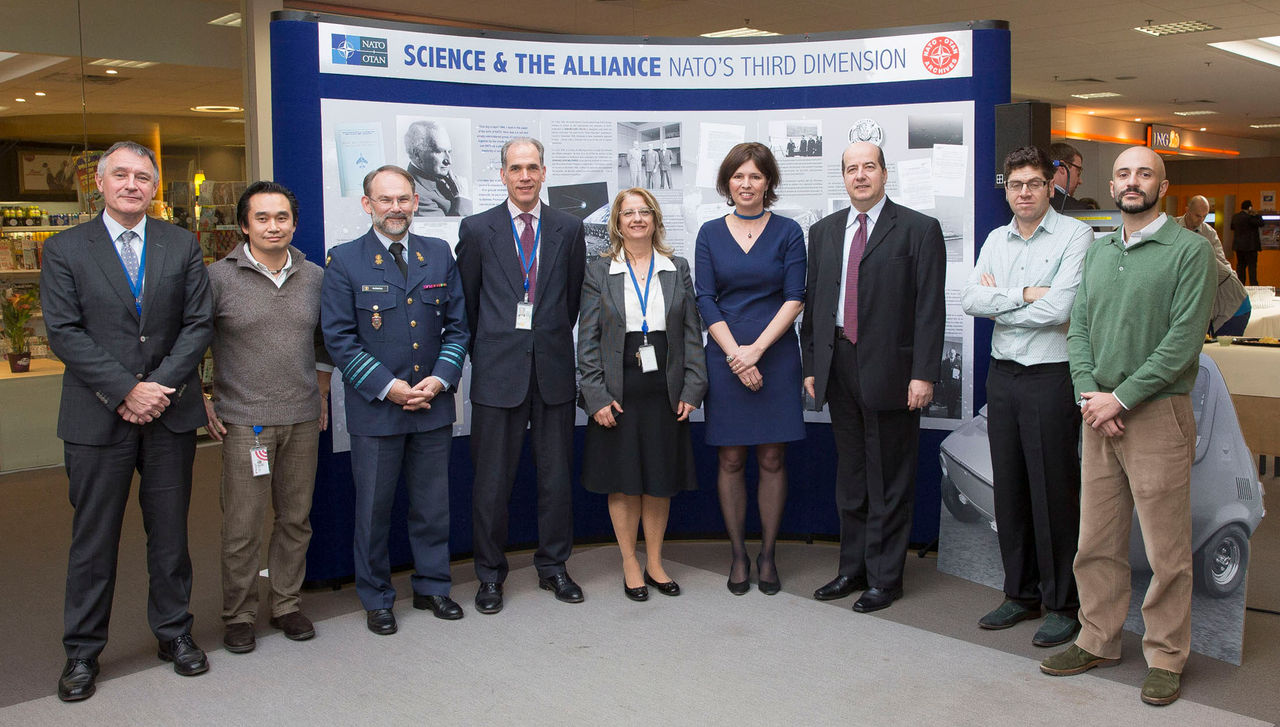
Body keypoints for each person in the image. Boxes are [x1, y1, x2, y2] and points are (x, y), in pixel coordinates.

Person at [1040, 146, 1214, 707]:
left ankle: (1165, 656)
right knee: (1097, 540)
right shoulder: (1097, 251)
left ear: (1163, 186)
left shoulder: (1190, 251)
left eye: (1144, 173)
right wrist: (1091, 397)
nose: (1131, 182)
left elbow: (1183, 343)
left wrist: (1122, 399)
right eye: (1122, 174)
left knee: (1167, 550)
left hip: (1156, 413)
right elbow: (1078, 330)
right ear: (1111, 186)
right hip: (1098, 412)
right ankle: (1098, 638)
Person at [41, 141, 214, 701]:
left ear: (155, 186)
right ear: (99, 181)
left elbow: (198, 323)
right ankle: (82, 654)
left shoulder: (181, 243)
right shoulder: (66, 247)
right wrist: (125, 389)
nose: (132, 184)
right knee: (93, 541)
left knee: (169, 535)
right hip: (97, 417)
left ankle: (174, 634)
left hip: (168, 413)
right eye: (121, 174)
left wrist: (157, 389)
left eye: (144, 176)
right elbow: (64, 331)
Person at [320, 165, 469, 635]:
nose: (396, 208)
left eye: (404, 199)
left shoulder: (439, 253)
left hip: (432, 404)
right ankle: (377, 597)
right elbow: (339, 339)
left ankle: (432, 586)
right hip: (376, 409)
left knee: (432, 505)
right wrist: (391, 387)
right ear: (368, 205)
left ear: (415, 202)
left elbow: (458, 328)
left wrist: (440, 381)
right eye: (385, 200)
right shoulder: (344, 260)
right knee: (373, 510)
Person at [800, 141, 945, 613]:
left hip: (893, 372)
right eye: (850, 169)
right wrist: (810, 367)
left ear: (885, 173)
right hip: (838, 365)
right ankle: (852, 568)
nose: (859, 176)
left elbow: (929, 309)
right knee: (853, 476)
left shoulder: (919, 230)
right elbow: (816, 306)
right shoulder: (822, 232)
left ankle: (886, 578)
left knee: (889, 477)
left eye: (869, 167)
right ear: (841, 177)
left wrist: (923, 374)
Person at [960, 145, 1092, 647]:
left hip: (1050, 377)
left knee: (1054, 491)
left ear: (1051, 185)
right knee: (1011, 489)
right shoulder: (997, 237)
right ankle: (1020, 593)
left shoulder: (1076, 235)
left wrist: (1004, 303)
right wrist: (1025, 295)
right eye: (1015, 185)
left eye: (1034, 183)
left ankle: (1063, 604)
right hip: (1004, 376)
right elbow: (972, 299)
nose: (1024, 193)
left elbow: (1062, 309)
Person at [456, 137, 587, 613]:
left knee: (556, 480)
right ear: (503, 175)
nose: (525, 176)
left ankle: (554, 567)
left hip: (552, 371)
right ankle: (489, 576)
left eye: (533, 167)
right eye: (516, 168)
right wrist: (493, 350)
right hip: (497, 375)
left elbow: (571, 300)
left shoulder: (569, 229)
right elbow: (466, 305)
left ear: (545, 172)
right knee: (491, 484)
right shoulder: (476, 229)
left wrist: (542, 339)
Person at [203, 181, 331, 654]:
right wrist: (203, 397)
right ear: (244, 226)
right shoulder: (217, 278)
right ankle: (238, 614)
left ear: (294, 223)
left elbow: (323, 343)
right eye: (262, 218)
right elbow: (193, 341)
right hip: (245, 423)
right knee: (242, 524)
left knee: (295, 519)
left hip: (301, 417)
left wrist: (320, 392)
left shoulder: (315, 277)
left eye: (282, 217)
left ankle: (285, 604)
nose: (273, 226)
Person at [577, 188, 707, 600]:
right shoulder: (599, 270)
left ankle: (654, 560)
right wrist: (595, 396)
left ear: (654, 219)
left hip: (665, 389)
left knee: (659, 479)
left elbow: (691, 336)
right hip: (619, 389)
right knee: (624, 480)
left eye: (643, 212)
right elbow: (589, 340)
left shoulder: (676, 267)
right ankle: (629, 561)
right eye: (627, 213)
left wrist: (693, 386)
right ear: (617, 222)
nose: (636, 219)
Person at [694, 141, 806, 596]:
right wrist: (736, 356)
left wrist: (756, 351)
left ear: (768, 182)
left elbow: (795, 296)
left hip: (775, 354)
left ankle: (768, 554)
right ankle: (739, 554)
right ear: (727, 182)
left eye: (755, 176)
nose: (746, 184)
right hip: (724, 355)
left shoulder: (788, 231)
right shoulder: (708, 232)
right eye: (738, 176)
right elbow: (705, 298)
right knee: (731, 457)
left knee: (773, 457)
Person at [1179, 195, 1250, 336]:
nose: (1201, 220)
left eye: (1204, 216)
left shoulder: (1208, 234)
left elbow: (1222, 263)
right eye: (1197, 216)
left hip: (1230, 304)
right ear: (1187, 210)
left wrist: (1232, 280)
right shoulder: (1173, 229)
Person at [404, 120, 471, 217]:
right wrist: (463, 197)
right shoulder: (416, 194)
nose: (449, 161)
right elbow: (450, 230)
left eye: (449, 151)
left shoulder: (441, 178)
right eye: (439, 152)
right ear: (417, 154)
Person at [1230, 200, 1263, 286]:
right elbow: (1262, 223)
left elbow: (1232, 227)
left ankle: (1240, 286)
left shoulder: (1235, 217)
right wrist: (1256, 214)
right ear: (1249, 207)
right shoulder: (1251, 218)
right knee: (1252, 268)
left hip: (1239, 247)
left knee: (1240, 267)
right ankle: (1254, 286)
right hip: (1250, 247)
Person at [1049, 142, 1088, 211]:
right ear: (1062, 167)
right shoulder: (1075, 209)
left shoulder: (1034, 203)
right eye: (1078, 172)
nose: (1080, 181)